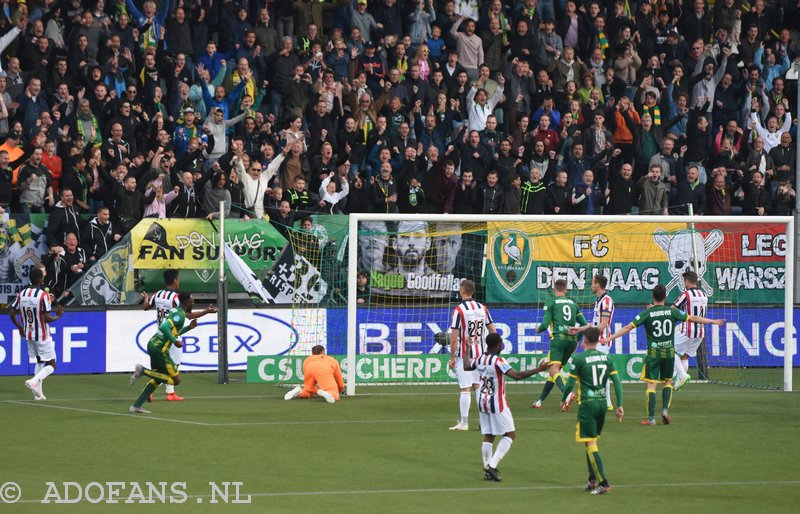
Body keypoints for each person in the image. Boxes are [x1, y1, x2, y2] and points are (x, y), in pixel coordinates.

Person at [603, 284, 724, 425]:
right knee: (667, 382)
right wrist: (712, 321)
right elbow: (694, 318)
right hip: (669, 353)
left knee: (651, 385)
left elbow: (627, 327)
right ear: (665, 297)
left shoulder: (647, 313)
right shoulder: (671, 312)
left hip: (654, 354)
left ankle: (651, 418)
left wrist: (610, 338)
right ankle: (665, 410)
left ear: (652, 297)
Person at [464, 333, 548, 481]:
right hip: (497, 403)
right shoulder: (498, 361)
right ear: (497, 345)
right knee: (510, 434)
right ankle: (492, 465)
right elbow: (516, 375)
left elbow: (466, 365)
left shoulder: (479, 359)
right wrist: (539, 369)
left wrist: (468, 347)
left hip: (482, 401)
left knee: (488, 435)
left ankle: (486, 469)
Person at [560, 327, 624, 495]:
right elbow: (617, 381)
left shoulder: (579, 359)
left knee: (590, 443)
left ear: (585, 341)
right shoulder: (606, 357)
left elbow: (569, 384)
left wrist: (563, 399)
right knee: (590, 441)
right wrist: (619, 405)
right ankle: (592, 479)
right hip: (602, 404)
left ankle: (604, 483)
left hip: (587, 405)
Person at [141, 271, 218, 401]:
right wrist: (206, 311)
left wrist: (146, 298)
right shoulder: (176, 297)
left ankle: (168, 392)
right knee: (174, 364)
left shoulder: (158, 294)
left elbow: (146, 307)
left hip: (160, 333)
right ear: (175, 281)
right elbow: (188, 315)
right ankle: (160, 389)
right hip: (173, 334)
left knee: (166, 365)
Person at [129, 292, 200, 414]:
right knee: (176, 380)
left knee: (158, 378)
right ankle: (143, 371)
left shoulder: (175, 311)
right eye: (192, 300)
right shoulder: (180, 315)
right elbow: (163, 327)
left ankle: (136, 406)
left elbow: (171, 331)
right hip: (160, 349)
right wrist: (175, 342)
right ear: (188, 302)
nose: (193, 302)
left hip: (153, 344)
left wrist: (189, 328)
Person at [448, 279, 496, 431]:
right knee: (478, 386)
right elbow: (493, 332)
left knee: (465, 388)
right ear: (473, 291)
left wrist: (452, 357)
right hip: (480, 354)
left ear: (462, 291)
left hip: (465, 355)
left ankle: (464, 422)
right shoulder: (483, 308)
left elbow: (454, 336)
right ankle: (484, 422)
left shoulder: (459, 310)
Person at [9, 268, 64, 400]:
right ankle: (33, 381)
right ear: (41, 280)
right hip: (42, 335)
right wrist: (58, 316)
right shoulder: (42, 295)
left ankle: (38, 394)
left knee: (40, 361)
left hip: (28, 334)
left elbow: (12, 313)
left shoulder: (22, 294)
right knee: (52, 364)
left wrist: (20, 328)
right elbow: (46, 318)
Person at [532, 279, 587, 409]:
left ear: (554, 289)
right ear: (566, 289)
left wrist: (538, 329)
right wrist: (577, 340)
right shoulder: (573, 303)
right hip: (571, 342)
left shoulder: (551, 302)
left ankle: (567, 395)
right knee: (554, 372)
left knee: (553, 370)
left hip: (558, 340)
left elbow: (545, 325)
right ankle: (540, 401)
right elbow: (584, 325)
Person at [571, 274, 616, 411]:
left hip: (601, 342)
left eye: (593, 283)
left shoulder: (606, 301)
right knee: (592, 370)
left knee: (601, 371)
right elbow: (594, 323)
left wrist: (590, 340)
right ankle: (594, 399)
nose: (591, 285)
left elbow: (603, 324)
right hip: (595, 341)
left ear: (598, 285)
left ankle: (607, 402)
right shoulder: (599, 300)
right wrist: (579, 329)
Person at [671, 271, 708, 391]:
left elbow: (672, 310)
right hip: (700, 332)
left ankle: (682, 376)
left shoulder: (686, 295)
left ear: (687, 281)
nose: (684, 284)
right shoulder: (704, 295)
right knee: (685, 357)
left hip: (687, 330)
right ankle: (678, 385)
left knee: (670, 351)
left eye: (684, 281)